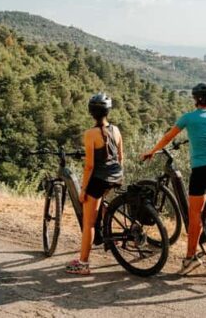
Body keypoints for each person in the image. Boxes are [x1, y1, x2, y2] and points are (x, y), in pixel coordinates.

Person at [141, 82, 206, 275]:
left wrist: (152, 151)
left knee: (194, 217)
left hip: (201, 169)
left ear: (196, 99)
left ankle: (190, 258)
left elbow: (168, 137)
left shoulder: (189, 118)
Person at [66, 93, 124, 275]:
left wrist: (83, 190)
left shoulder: (91, 134)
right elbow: (121, 157)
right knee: (101, 204)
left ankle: (83, 264)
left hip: (99, 178)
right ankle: (108, 231)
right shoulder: (116, 130)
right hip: (116, 174)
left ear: (91, 112)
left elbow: (90, 165)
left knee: (89, 223)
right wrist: (116, 175)